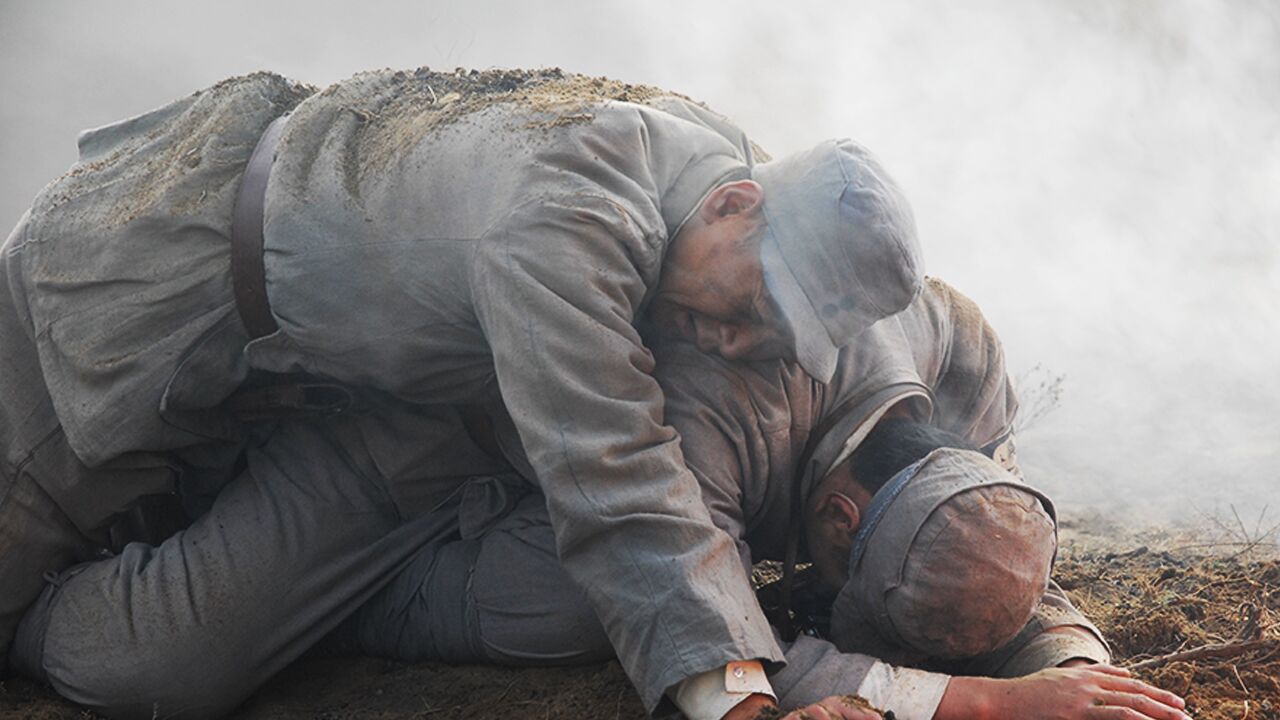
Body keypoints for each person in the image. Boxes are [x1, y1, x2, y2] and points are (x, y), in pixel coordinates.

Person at [1, 67, 924, 720]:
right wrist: (743, 707)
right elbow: (616, 470)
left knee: (177, 649)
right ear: (735, 206)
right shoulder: (566, 220)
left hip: (300, 387)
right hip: (132, 304)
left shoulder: (712, 160)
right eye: (755, 306)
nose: (737, 345)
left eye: (777, 338)